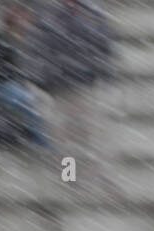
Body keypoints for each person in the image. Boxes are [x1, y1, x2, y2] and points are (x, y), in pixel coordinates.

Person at [27, 0, 115, 175]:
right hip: (61, 89)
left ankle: (96, 177)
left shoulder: (92, 16)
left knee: (91, 136)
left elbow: (104, 47)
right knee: (64, 138)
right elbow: (39, 50)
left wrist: (96, 72)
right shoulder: (50, 17)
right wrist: (48, 80)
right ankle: (70, 176)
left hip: (85, 86)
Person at [0, 1, 48, 149]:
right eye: (20, 16)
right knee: (29, 105)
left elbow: (28, 66)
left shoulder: (24, 40)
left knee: (42, 102)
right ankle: (39, 143)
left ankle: (34, 137)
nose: (24, 20)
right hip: (3, 83)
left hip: (19, 83)